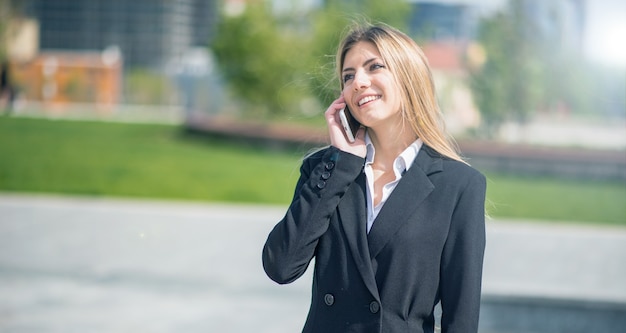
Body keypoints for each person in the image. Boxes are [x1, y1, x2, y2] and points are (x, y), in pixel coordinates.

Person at [262, 22, 486, 333]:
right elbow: (281, 266)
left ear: (408, 76)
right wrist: (339, 167)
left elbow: (461, 318)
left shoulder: (459, 185)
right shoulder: (324, 171)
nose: (358, 83)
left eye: (374, 67)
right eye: (348, 76)